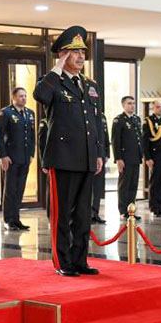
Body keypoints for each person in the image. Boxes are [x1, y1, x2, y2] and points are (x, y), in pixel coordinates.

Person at [33, 25, 104, 276]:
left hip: (86, 158)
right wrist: (56, 68)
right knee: (62, 214)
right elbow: (40, 95)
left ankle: (79, 259)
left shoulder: (89, 84)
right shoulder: (52, 81)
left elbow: (97, 121)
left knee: (83, 214)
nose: (81, 56)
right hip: (63, 158)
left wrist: (99, 153)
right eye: (75, 52)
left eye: (83, 52)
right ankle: (62, 262)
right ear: (62, 55)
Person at [0, 86, 35, 231]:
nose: (24, 98)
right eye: (21, 96)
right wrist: (3, 155)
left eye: (25, 96)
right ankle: (8, 220)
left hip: (24, 158)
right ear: (13, 98)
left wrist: (31, 154)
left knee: (20, 190)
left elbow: (31, 136)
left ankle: (16, 219)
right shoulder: (6, 113)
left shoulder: (30, 113)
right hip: (11, 158)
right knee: (10, 190)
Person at [111, 95, 143, 220]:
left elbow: (139, 138)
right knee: (124, 185)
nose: (132, 106)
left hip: (136, 157)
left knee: (133, 185)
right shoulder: (119, 120)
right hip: (125, 158)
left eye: (133, 103)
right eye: (129, 103)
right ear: (123, 105)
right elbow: (116, 141)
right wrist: (118, 159)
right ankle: (123, 211)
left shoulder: (136, 119)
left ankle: (131, 210)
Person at [143, 100, 161, 217]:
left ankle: (160, 207)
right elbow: (145, 142)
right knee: (155, 183)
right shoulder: (149, 121)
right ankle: (154, 207)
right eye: (158, 107)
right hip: (155, 156)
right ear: (153, 108)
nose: (160, 109)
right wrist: (148, 158)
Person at [91, 109, 110, 223]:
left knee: (97, 187)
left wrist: (107, 153)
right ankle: (87, 214)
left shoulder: (101, 116)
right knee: (88, 187)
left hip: (100, 155)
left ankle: (95, 212)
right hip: (89, 154)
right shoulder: (85, 112)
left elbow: (105, 136)